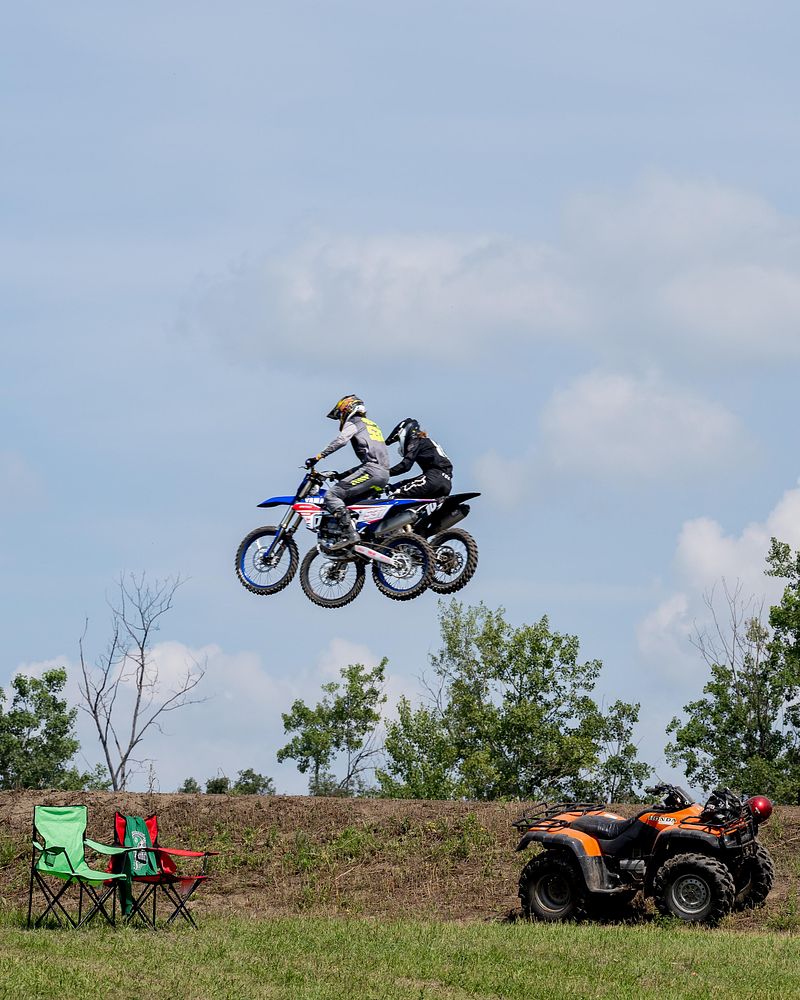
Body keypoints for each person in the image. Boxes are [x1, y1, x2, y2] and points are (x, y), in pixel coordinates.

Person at [305, 395, 390, 549]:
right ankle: (365, 540)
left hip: (372, 471)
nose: (340, 419)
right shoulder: (372, 425)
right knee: (347, 503)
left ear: (347, 409)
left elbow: (341, 440)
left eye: (340, 415)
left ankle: (350, 535)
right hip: (383, 475)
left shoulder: (354, 422)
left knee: (331, 496)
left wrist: (319, 456)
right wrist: (342, 475)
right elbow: (372, 457)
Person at [385, 418, 452, 499]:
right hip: (446, 484)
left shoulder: (417, 441)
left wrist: (384, 473)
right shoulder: (427, 442)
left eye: (398, 440)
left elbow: (405, 466)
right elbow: (428, 477)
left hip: (432, 480)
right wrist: (396, 486)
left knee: (395, 497)